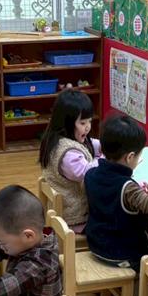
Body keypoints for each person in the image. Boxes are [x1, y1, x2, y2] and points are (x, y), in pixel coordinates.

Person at [83, 115, 148, 269]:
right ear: (130, 157)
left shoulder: (90, 174)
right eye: (138, 156)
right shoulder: (127, 187)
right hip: (124, 253)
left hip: (96, 244)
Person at [38, 89, 101, 227]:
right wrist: (103, 160)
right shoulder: (69, 154)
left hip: (64, 208)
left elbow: (91, 145)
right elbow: (88, 173)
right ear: (66, 123)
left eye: (90, 121)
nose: (88, 127)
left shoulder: (58, 139)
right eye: (82, 123)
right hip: (76, 217)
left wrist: (108, 145)